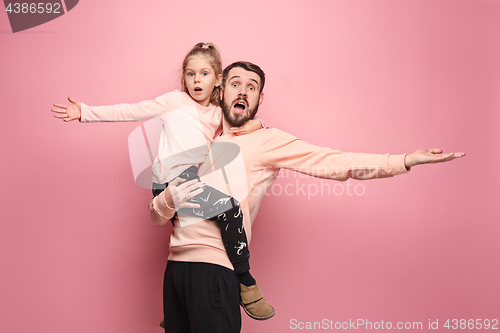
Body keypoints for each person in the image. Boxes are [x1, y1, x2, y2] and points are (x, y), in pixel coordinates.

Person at [150, 61, 465, 332]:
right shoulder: (202, 139)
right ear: (221, 92)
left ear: (259, 98)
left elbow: (334, 162)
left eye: (252, 86)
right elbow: (156, 214)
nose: (243, 91)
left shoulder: (266, 140)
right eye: (235, 83)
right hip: (174, 269)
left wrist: (403, 160)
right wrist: (168, 199)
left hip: (215, 270)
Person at [50, 43, 275, 323]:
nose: (196, 80)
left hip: (193, 183)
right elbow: (132, 110)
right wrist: (85, 112)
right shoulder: (174, 102)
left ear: (218, 79)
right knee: (229, 211)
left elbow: (240, 128)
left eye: (204, 73)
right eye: (190, 74)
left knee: (200, 228)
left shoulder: (218, 113)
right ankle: (246, 283)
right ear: (184, 79)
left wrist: (260, 125)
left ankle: (179, 311)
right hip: (170, 181)